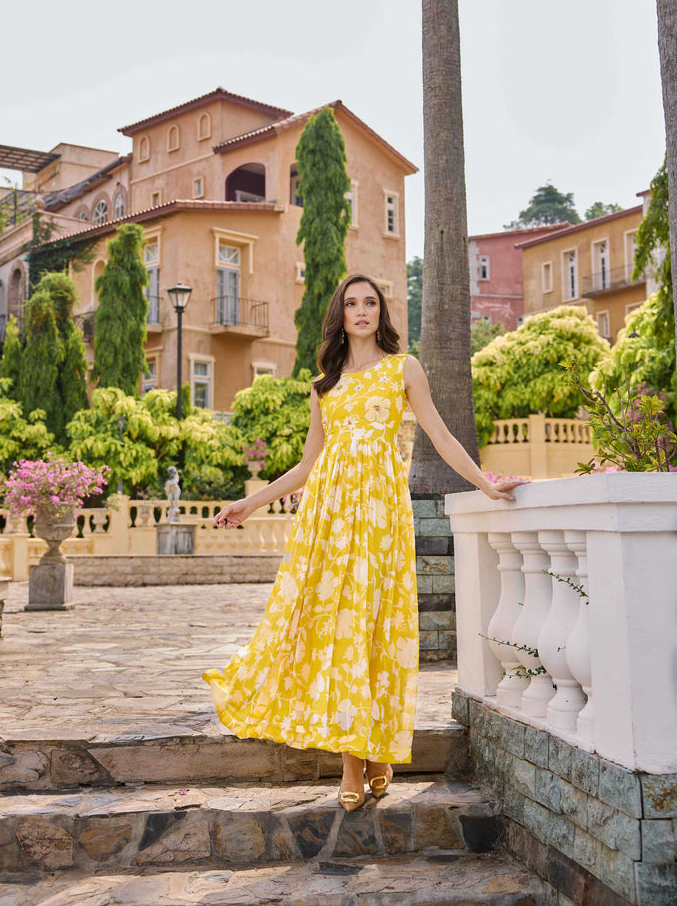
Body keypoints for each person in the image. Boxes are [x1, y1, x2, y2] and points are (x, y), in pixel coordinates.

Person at [203, 273, 524, 811]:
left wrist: (486, 484)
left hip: (379, 520)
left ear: (381, 312)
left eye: (370, 302)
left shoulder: (404, 368)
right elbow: (308, 466)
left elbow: (441, 436)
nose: (360, 310)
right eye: (351, 303)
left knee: (376, 626)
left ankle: (376, 745)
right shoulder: (322, 386)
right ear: (340, 314)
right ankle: (356, 759)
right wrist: (250, 501)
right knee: (339, 628)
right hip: (328, 523)